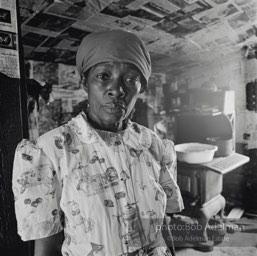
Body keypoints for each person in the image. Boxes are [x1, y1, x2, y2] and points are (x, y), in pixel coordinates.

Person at [12, 30, 184, 256]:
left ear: (141, 87)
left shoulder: (152, 144)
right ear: (84, 81)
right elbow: (47, 249)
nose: (117, 90)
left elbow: (162, 227)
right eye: (103, 76)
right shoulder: (51, 150)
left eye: (131, 79)